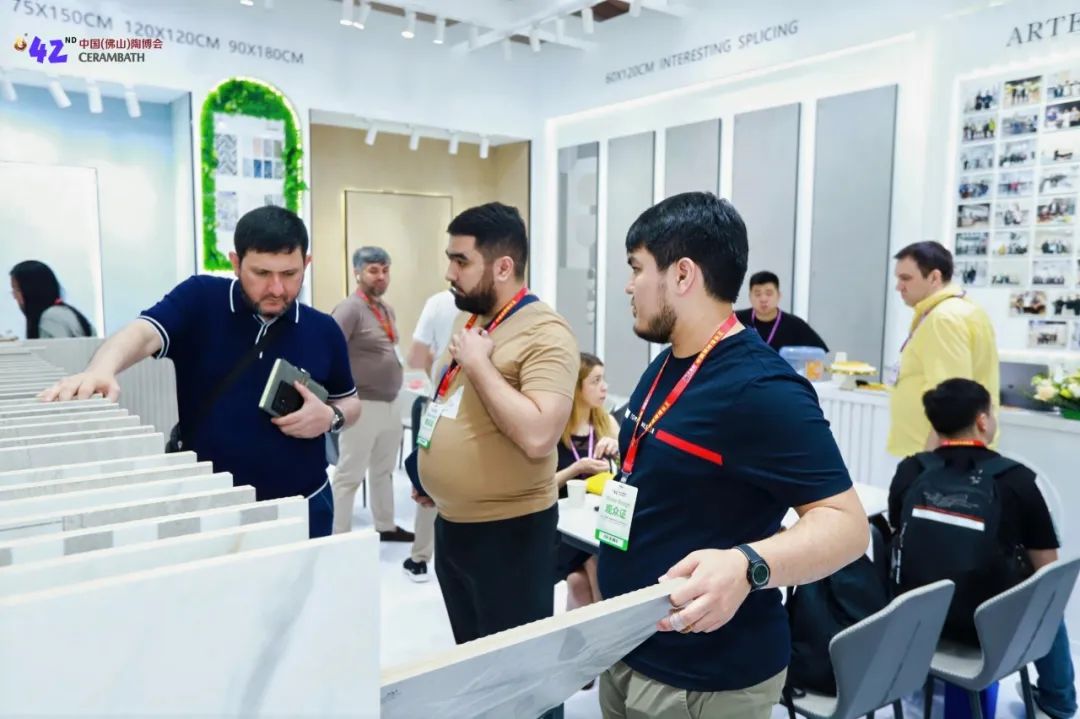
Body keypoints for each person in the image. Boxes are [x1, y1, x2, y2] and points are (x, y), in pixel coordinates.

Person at [597, 192, 869, 719]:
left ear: (682, 274)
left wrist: (749, 565)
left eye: (636, 268)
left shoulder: (761, 388)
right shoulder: (666, 365)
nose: (629, 285)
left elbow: (847, 525)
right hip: (629, 648)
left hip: (704, 678)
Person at [39, 206, 362, 538]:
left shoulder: (324, 330)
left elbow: (350, 402)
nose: (277, 289)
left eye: (290, 274)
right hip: (213, 507)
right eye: (262, 273)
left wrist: (331, 417)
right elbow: (143, 333)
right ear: (235, 263)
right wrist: (101, 369)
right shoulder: (202, 299)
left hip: (305, 505)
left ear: (306, 264)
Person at [413, 202, 579, 656]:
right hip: (453, 525)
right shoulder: (471, 319)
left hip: (510, 534)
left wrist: (479, 364)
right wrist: (431, 469)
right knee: (475, 662)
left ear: (503, 267)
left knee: (517, 674)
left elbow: (539, 435)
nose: (449, 272)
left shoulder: (546, 332)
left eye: (461, 261)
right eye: (450, 258)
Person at [888, 379, 1075, 719]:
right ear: (983, 420)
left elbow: (896, 537)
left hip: (916, 626)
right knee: (1049, 595)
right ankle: (1059, 701)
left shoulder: (910, 470)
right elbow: (1049, 570)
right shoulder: (1017, 479)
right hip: (990, 635)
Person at [330, 246, 416, 543]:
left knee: (383, 470)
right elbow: (331, 350)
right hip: (362, 405)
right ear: (357, 273)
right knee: (349, 474)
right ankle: (338, 535)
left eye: (385, 270)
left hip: (390, 403)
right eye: (373, 270)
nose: (381, 276)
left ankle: (385, 525)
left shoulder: (385, 309)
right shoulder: (350, 309)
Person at [887, 241, 999, 458]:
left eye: (906, 278)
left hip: (934, 454)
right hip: (935, 452)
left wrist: (933, 463)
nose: (898, 287)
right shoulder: (956, 310)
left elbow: (952, 402)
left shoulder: (944, 319)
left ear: (934, 277)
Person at [554, 353, 619, 615]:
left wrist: (618, 449)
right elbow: (540, 487)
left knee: (577, 581)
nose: (604, 387)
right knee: (594, 563)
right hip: (564, 528)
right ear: (576, 386)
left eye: (604, 379)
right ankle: (605, 632)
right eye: (596, 381)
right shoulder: (554, 429)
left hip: (594, 523)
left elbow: (629, 471)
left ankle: (585, 638)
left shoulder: (606, 422)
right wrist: (576, 469)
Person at [401, 288, 460, 581]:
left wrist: (434, 371)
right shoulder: (502, 303)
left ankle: (420, 557)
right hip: (476, 409)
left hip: (440, 402)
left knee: (429, 475)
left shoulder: (438, 303)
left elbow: (416, 356)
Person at [734, 271, 828, 352]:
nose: (763, 299)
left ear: (779, 295)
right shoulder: (736, 320)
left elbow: (818, 352)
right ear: (750, 297)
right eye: (758, 294)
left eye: (769, 293)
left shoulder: (795, 324)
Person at [9, 260, 94, 339]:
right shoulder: (64, 312)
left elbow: (59, 350)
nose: (14, 296)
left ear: (32, 291)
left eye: (17, 289)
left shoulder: (51, 317)